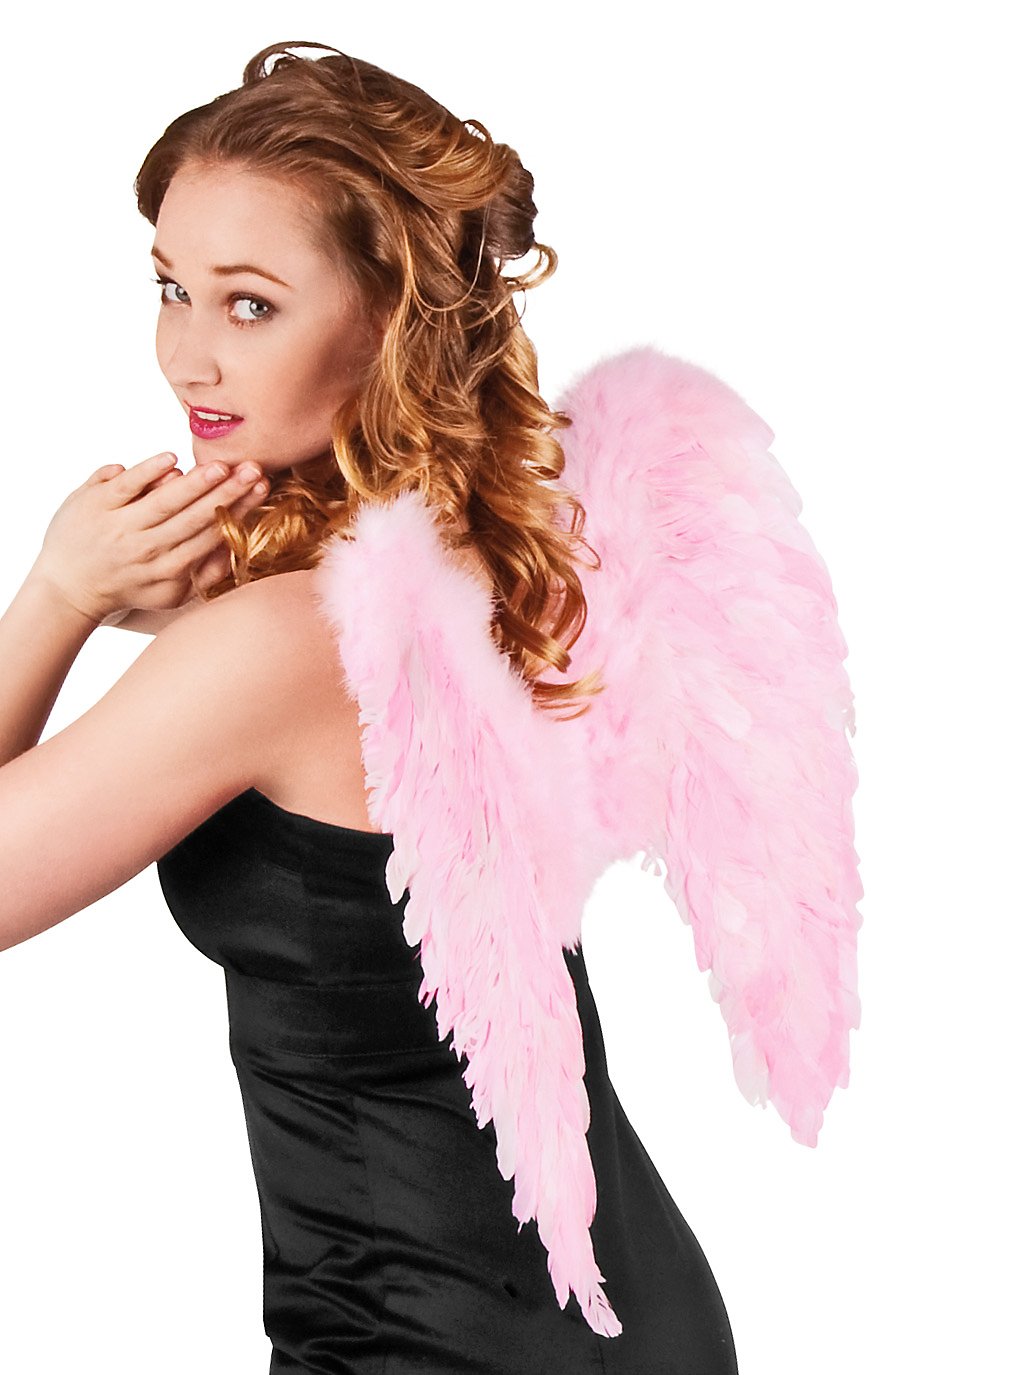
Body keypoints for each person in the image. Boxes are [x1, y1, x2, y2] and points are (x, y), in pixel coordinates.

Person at [0, 38, 861, 1374]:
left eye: (250, 306)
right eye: (170, 288)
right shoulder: (509, 563)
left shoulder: (279, 644)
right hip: (619, 1313)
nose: (187, 358)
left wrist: (55, 596)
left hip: (430, 1335)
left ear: (388, 317)